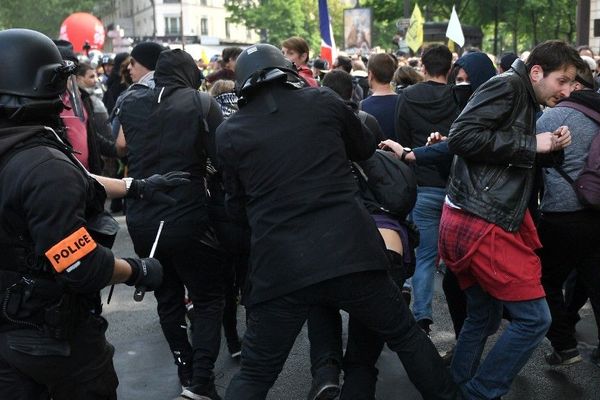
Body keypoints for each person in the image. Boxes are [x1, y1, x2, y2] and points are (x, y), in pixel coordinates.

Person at [217, 43, 457, 400]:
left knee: (255, 373)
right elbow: (363, 149)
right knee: (405, 336)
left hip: (281, 265)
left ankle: (325, 373)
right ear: (288, 72)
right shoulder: (324, 102)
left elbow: (236, 208)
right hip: (350, 252)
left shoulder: (229, 133)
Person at [0, 28, 174, 400]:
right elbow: (79, 263)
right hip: (50, 339)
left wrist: (135, 186)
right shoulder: (43, 166)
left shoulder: (23, 150)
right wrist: (138, 270)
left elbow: (74, 177)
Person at [439, 40, 584, 399]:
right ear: (537, 72)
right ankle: (479, 392)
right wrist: (534, 144)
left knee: (483, 317)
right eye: (562, 81)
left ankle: (456, 390)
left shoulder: (521, 92)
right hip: (482, 220)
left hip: (472, 215)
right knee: (535, 319)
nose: (567, 91)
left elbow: (506, 153)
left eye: (572, 83)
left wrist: (549, 148)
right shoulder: (507, 86)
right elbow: (462, 136)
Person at [117, 48, 227, 400]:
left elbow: (120, 146)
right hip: (187, 213)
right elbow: (222, 155)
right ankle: (202, 380)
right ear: (188, 72)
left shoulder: (131, 101)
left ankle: (186, 370)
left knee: (167, 296)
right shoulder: (200, 102)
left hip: (143, 215)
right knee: (209, 298)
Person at [536, 63, 600, 366]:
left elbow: (530, 159)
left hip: (561, 214)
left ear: (574, 85)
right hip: (596, 213)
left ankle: (564, 344)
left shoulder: (553, 116)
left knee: (543, 281)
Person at [394, 44, 459, 335]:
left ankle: (422, 317)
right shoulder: (459, 97)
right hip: (455, 187)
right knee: (457, 260)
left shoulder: (407, 96)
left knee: (424, 258)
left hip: (421, 183)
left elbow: (402, 138)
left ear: (423, 65)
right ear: (450, 67)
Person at [359, 53, 398, 141]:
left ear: (370, 74)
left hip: (374, 154)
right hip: (400, 153)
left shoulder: (363, 105)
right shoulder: (403, 102)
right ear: (392, 74)